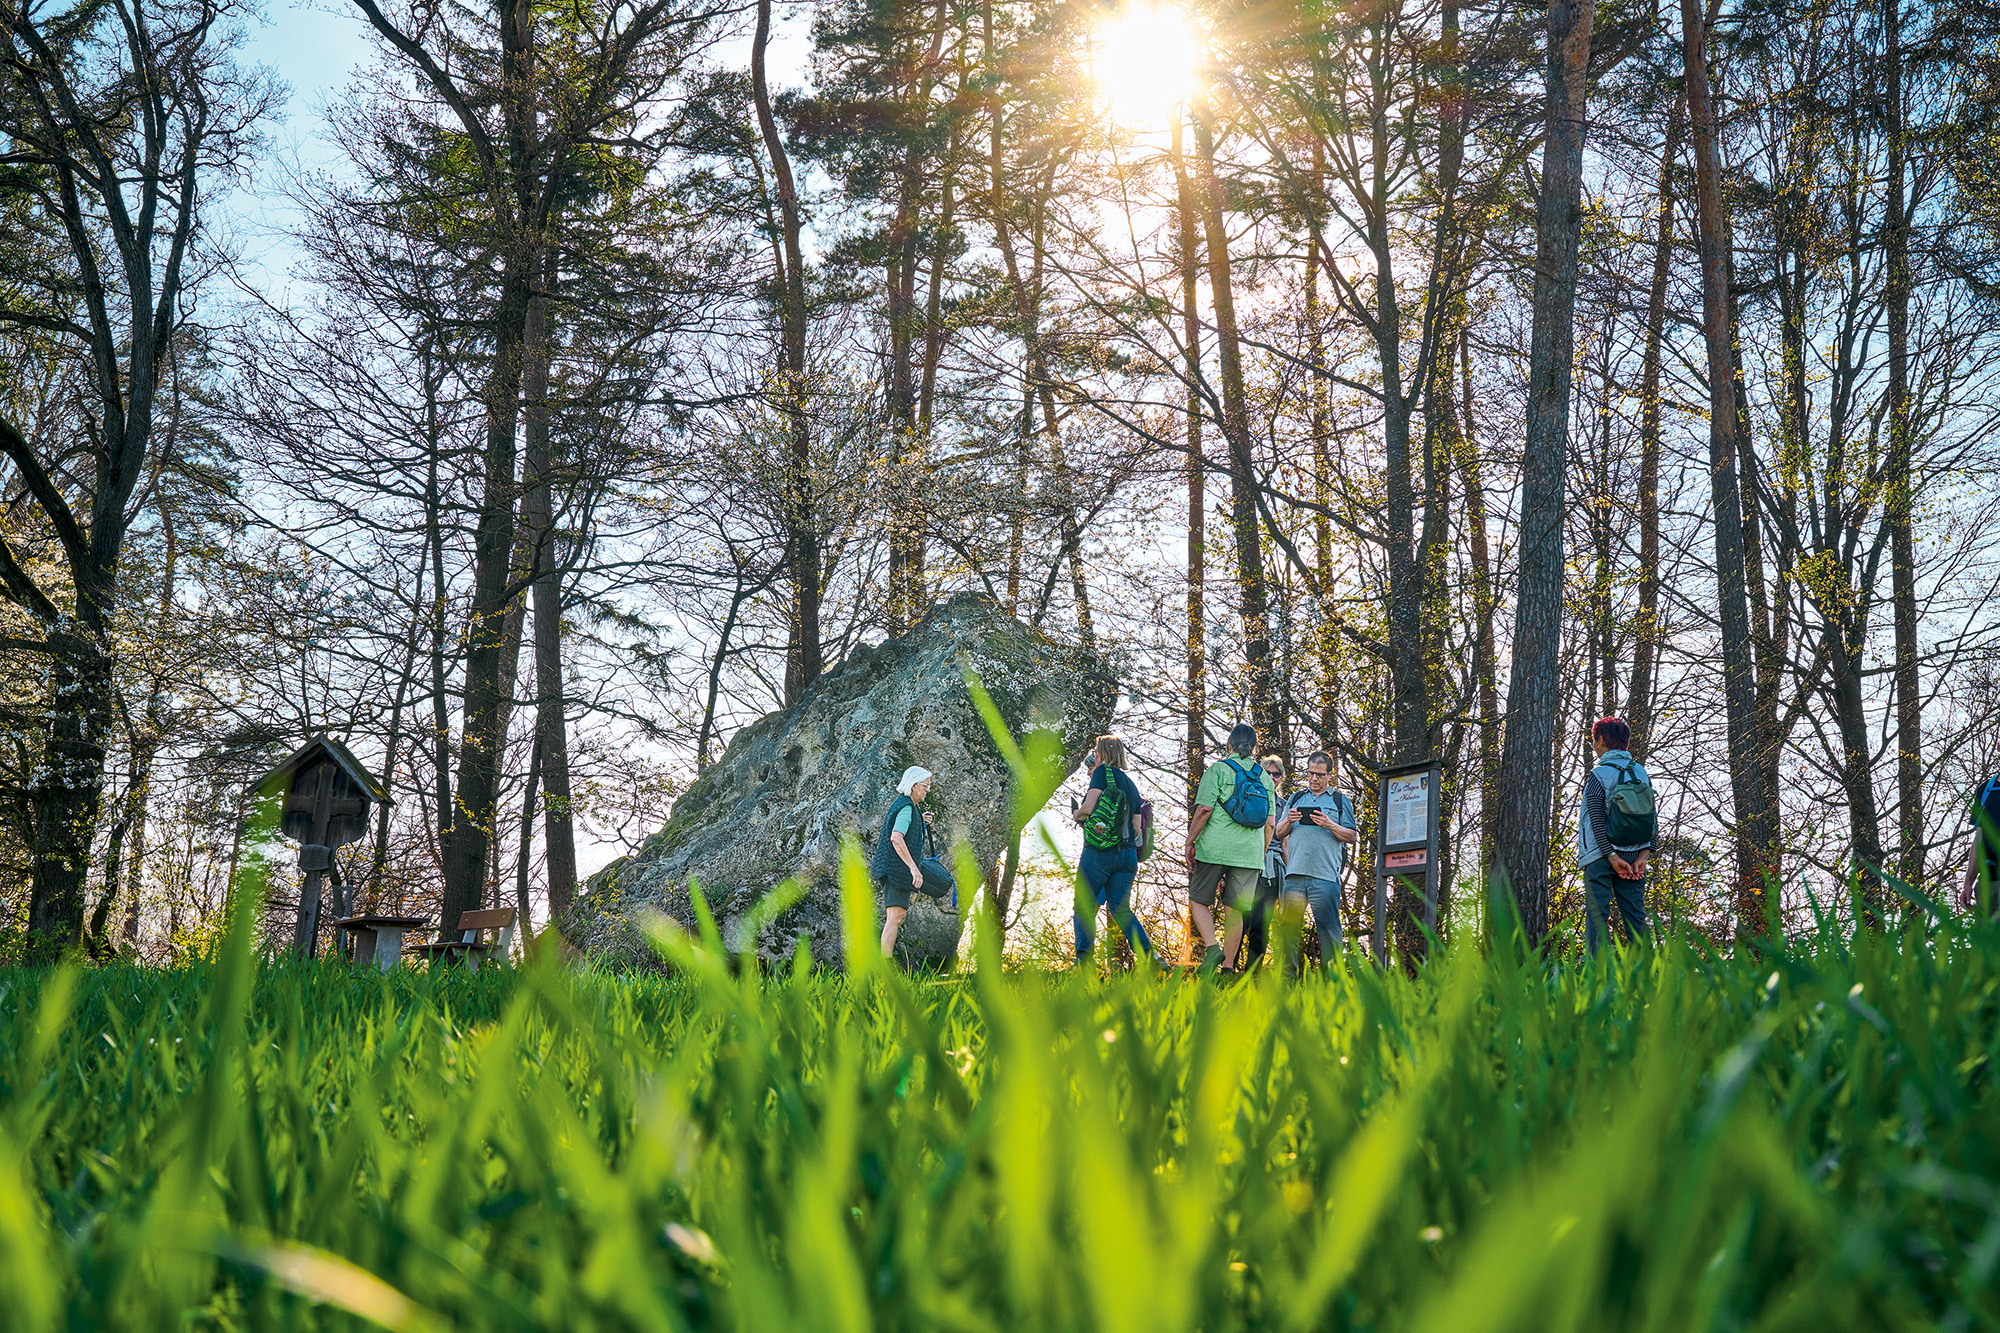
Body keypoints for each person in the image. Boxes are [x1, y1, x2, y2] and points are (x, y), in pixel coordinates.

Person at [1184, 723, 1270, 972]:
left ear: (1229, 744)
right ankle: (1229, 969)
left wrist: (1190, 841)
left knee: (1198, 900)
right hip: (1250, 854)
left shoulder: (1218, 770)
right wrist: (1259, 855)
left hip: (1215, 848)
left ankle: (1212, 949)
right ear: (1254, 748)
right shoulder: (1264, 777)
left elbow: (1204, 810)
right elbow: (1271, 823)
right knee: (1235, 910)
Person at [1274, 751, 1359, 973]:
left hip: (1325, 877)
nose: (1314, 779)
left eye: (1319, 775)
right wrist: (1289, 821)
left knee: (1329, 933)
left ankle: (1333, 981)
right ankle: (1286, 982)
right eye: (1311, 773)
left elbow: (1351, 835)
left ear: (1330, 775)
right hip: (1294, 876)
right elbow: (1278, 832)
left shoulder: (1340, 801)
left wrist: (1330, 824)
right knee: (1289, 931)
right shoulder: (1295, 798)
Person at [1071, 735, 1154, 963]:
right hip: (1127, 855)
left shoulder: (1101, 773)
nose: (1094, 756)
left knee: (1083, 906)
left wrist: (1077, 814)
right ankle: (1150, 958)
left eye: (1096, 752)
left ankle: (1084, 965)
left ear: (1103, 754)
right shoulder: (1131, 784)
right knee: (1121, 910)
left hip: (1100, 853)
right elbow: (1137, 828)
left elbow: (1087, 809)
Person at [1579, 717, 1654, 953]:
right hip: (1634, 860)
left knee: (1597, 919)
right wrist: (1644, 854)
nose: (1594, 745)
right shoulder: (1641, 773)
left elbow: (1596, 820)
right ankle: (1651, 978)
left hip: (1600, 858)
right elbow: (1651, 815)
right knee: (1636, 920)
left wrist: (1611, 857)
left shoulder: (1598, 774)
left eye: (1594, 740)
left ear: (1601, 739)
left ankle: (1598, 979)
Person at [873, 766, 939, 957]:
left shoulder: (909, 808)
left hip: (894, 869)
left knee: (896, 917)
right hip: (895, 870)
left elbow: (905, 829)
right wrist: (913, 868)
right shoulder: (906, 808)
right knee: (895, 917)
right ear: (913, 785)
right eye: (925, 786)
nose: (928, 790)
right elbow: (896, 837)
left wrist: (921, 820)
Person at [1238, 753, 1292, 970]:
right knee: (1239, 918)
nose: (1271, 777)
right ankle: (1227, 968)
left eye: (1276, 773)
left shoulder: (1286, 806)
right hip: (1246, 864)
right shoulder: (1247, 799)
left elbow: (1286, 844)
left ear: (1281, 778)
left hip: (1272, 870)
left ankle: (1253, 972)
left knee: (1261, 922)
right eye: (1267, 772)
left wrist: (1288, 879)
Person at [1958, 773, 2000, 915]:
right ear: (1999, 748)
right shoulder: (1986, 790)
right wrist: (1968, 884)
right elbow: (1979, 838)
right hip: (1990, 885)